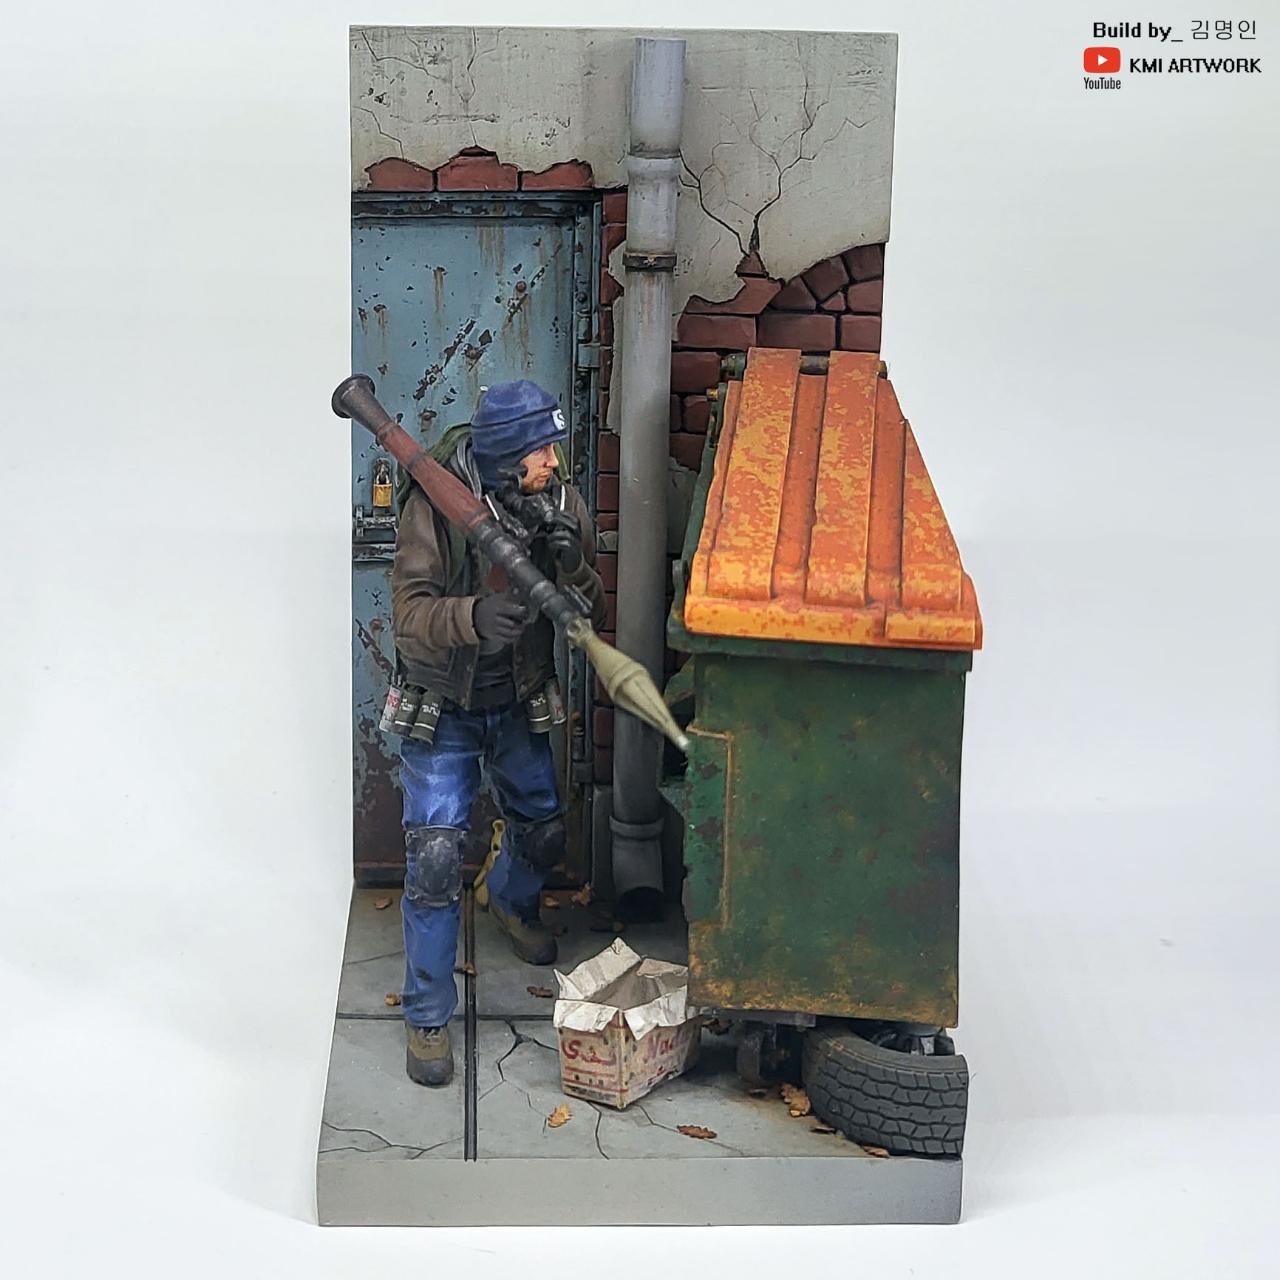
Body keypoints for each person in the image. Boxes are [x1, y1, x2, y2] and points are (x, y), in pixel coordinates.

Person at [387, 380, 607, 1086]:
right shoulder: (436, 503)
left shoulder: (559, 499)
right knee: (434, 861)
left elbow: (592, 605)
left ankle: (509, 902)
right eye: (543, 449)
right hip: (444, 704)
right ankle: (426, 1016)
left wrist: (572, 563)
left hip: (516, 697)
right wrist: (473, 618)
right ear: (510, 455)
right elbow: (409, 615)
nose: (554, 461)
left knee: (543, 829)